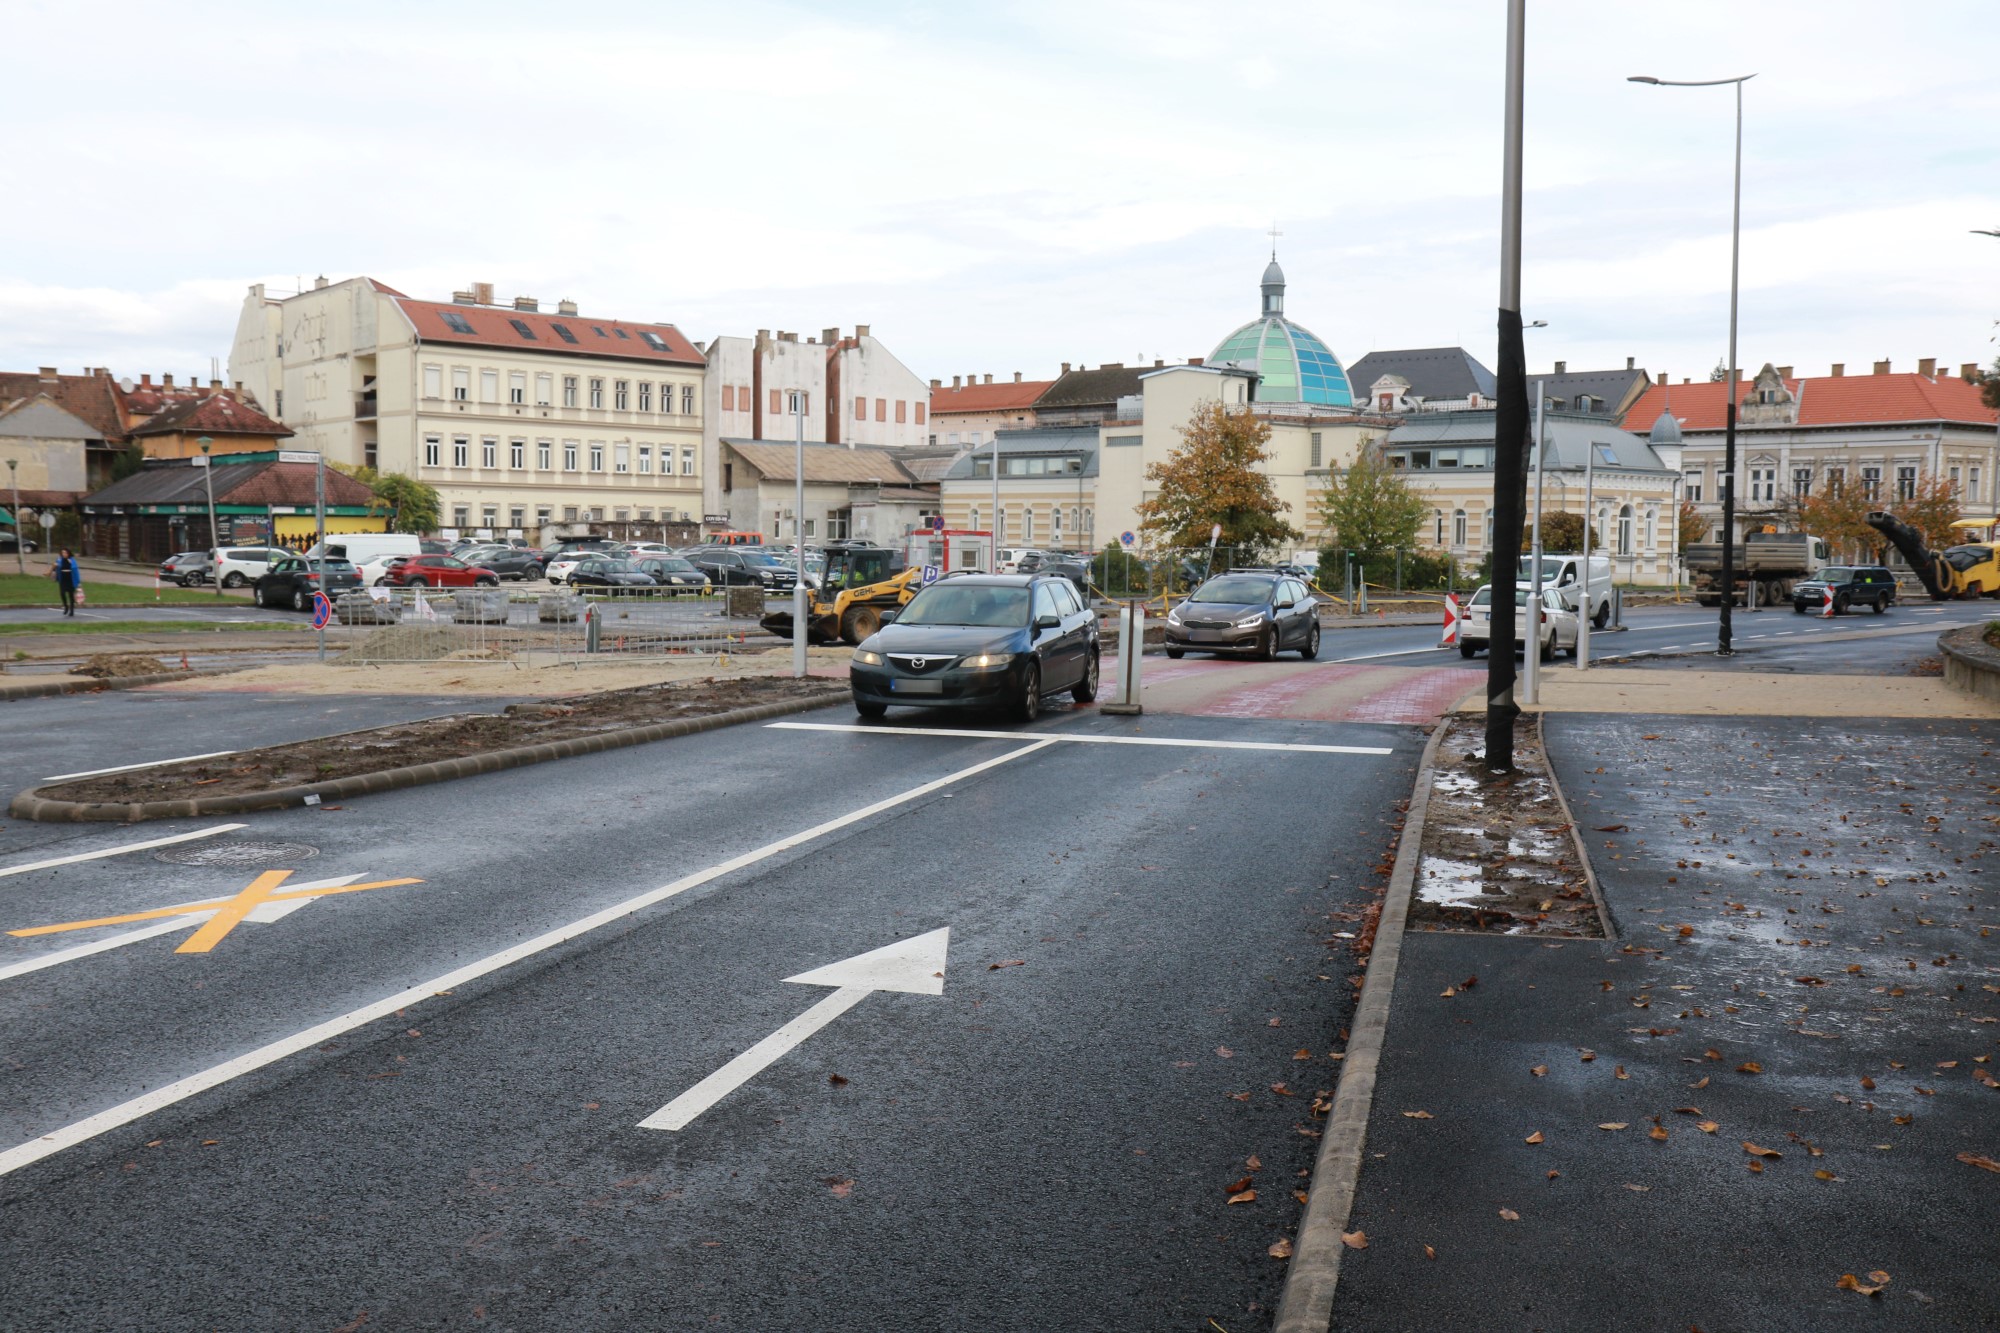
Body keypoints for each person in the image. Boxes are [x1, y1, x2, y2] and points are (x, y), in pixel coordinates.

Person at [51, 547, 81, 616]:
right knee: (62, 593)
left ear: (68, 553)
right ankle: (66, 606)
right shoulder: (59, 560)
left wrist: (78, 581)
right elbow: (55, 568)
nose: (64, 554)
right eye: (62, 553)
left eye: (65, 553)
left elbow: (75, 570)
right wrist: (55, 567)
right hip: (63, 579)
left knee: (71, 595)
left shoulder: (72, 560)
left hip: (70, 579)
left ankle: (72, 610)